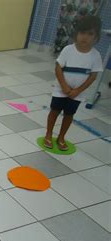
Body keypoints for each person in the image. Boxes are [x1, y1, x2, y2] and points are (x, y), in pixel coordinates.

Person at [44, 15, 103, 151]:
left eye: (90, 34)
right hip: (61, 90)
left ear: (96, 36)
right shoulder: (68, 50)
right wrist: (64, 86)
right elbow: (58, 68)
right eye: (82, 33)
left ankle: (61, 137)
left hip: (77, 93)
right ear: (76, 34)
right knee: (54, 111)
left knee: (69, 115)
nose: (85, 37)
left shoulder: (95, 55)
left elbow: (93, 76)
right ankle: (48, 134)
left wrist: (77, 91)